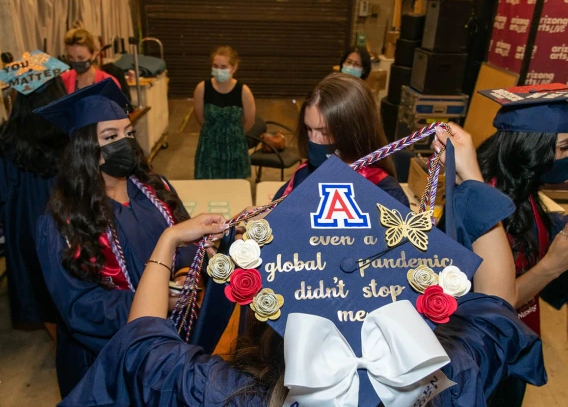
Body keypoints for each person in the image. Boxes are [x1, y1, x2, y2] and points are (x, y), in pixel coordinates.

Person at [59, 123, 543, 407]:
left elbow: (143, 340)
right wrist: (471, 174)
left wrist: (167, 243)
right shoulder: (451, 382)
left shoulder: (231, 394)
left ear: (273, 329)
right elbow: (497, 304)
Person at [33, 79, 208, 397]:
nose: (125, 143)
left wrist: (182, 276)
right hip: (106, 362)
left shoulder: (156, 188)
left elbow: (185, 236)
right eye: (111, 137)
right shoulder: (63, 222)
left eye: (128, 133)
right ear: (87, 149)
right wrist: (158, 301)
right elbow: (80, 307)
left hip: (173, 339)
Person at [468, 85, 568, 406]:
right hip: (486, 349)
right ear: (533, 148)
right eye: (564, 148)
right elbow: (500, 298)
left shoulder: (522, 188)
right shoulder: (490, 207)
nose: (567, 158)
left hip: (515, 336)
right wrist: (553, 264)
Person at [0, 52, 69, 333]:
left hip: (26, 225)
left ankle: (56, 343)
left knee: (39, 288)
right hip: (68, 220)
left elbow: (3, 192)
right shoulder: (72, 132)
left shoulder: (6, 140)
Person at [274, 73, 408, 207]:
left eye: (323, 131)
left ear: (353, 132)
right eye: (308, 129)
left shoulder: (386, 194)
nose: (313, 139)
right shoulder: (304, 174)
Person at [194, 46, 255, 179]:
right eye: (215, 66)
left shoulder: (244, 91)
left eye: (223, 67)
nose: (218, 70)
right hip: (209, 146)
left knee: (234, 189)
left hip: (234, 147)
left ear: (234, 68)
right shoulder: (202, 88)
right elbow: (200, 118)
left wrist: (233, 133)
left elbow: (250, 121)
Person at [62, 28, 121, 93]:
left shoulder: (108, 83)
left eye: (81, 58)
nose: (76, 62)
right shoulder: (63, 80)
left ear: (93, 55)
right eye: (71, 57)